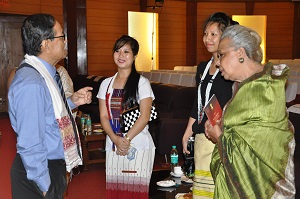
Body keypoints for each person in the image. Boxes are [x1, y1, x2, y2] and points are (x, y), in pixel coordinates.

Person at [8, 13, 93, 199]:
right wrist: (45, 185)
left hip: (48, 165)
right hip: (37, 172)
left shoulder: (43, 74)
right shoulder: (32, 83)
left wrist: (72, 102)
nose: (66, 41)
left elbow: (47, 113)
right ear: (46, 44)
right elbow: (30, 141)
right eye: (61, 36)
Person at [205, 25, 295, 198]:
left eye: (221, 55)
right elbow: (243, 134)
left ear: (240, 53)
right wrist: (220, 126)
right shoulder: (243, 86)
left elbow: (261, 150)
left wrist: (219, 137)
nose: (217, 62)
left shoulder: (264, 90)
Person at [181, 12, 238, 199]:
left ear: (225, 35)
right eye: (205, 34)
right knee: (201, 192)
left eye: (213, 34)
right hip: (201, 135)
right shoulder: (202, 67)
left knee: (218, 189)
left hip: (219, 135)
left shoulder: (231, 67)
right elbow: (197, 102)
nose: (207, 39)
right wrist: (188, 131)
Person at [97, 35, 155, 198]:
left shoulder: (142, 83)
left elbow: (144, 116)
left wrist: (125, 140)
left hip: (137, 145)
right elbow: (103, 116)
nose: (121, 55)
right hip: (113, 145)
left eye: (126, 51)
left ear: (134, 56)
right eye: (117, 51)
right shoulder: (105, 83)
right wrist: (116, 139)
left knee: (136, 194)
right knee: (116, 193)